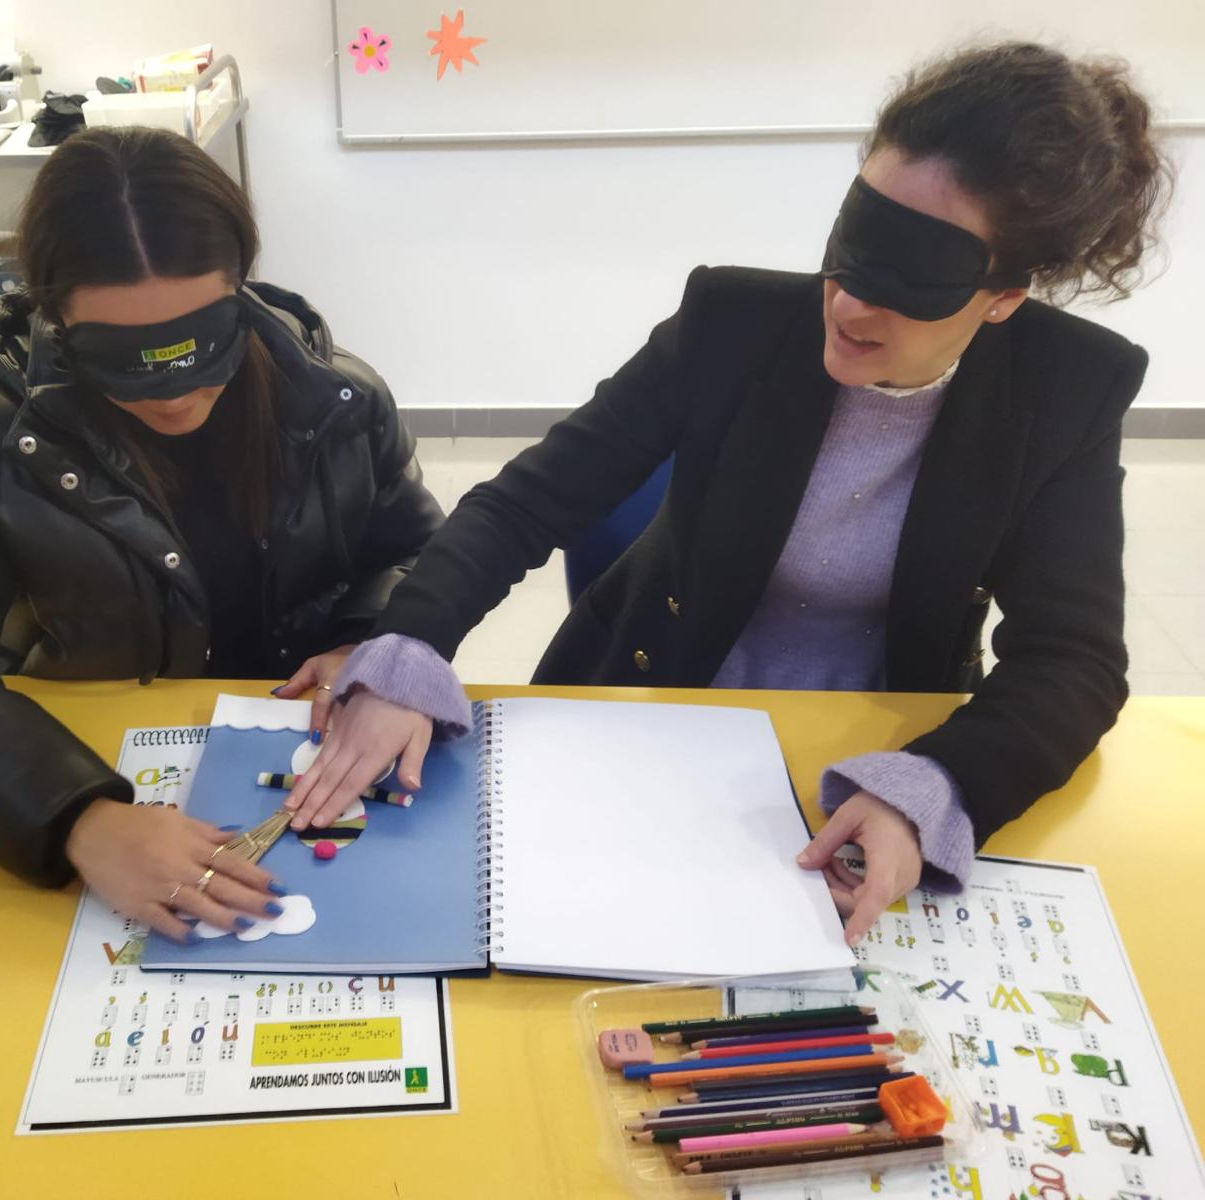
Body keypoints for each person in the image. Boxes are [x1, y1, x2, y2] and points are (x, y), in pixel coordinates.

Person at [283, 42, 1172, 943]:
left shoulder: (1066, 388)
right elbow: (525, 502)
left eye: (914, 283)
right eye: (854, 249)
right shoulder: (733, 324)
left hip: (871, 748)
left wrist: (933, 790)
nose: (850, 306)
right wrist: (408, 649)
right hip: (653, 707)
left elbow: (1074, 660)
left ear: (1003, 299)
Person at [0, 128, 443, 941]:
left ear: (239, 288)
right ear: (55, 317)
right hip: (93, 758)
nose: (174, 393)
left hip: (302, 746)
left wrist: (368, 643)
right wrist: (76, 816)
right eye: (127, 357)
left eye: (199, 344)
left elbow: (415, 554)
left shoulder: (339, 402)